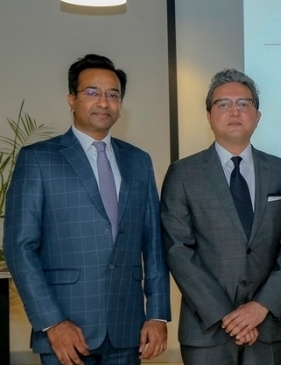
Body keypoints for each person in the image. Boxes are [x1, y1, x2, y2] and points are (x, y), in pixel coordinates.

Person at [3, 54, 170, 365]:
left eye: (113, 95)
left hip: (128, 328)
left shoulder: (139, 161)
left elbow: (154, 245)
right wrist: (52, 322)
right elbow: (19, 246)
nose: (104, 103)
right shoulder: (38, 159)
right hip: (66, 332)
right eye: (92, 92)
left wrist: (158, 314)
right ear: (72, 99)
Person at [160, 68, 281, 365]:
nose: (234, 111)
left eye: (244, 103)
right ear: (209, 116)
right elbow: (178, 250)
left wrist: (259, 308)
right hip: (207, 328)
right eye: (223, 104)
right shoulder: (183, 174)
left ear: (258, 115)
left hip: (267, 327)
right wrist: (228, 316)